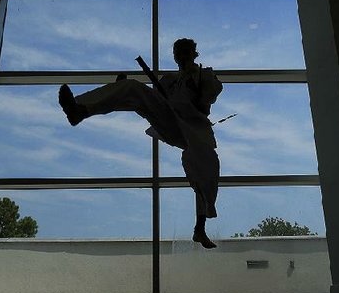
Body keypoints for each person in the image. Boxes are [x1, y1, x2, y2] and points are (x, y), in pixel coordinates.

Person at [58, 38, 223, 249]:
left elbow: (207, 102)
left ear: (194, 53)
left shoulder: (205, 75)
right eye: (178, 52)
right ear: (174, 56)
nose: (181, 56)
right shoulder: (169, 80)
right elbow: (148, 101)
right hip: (171, 122)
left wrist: (197, 86)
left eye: (186, 51)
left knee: (205, 170)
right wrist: (122, 94)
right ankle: (81, 109)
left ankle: (199, 228)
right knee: (132, 88)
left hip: (194, 129)